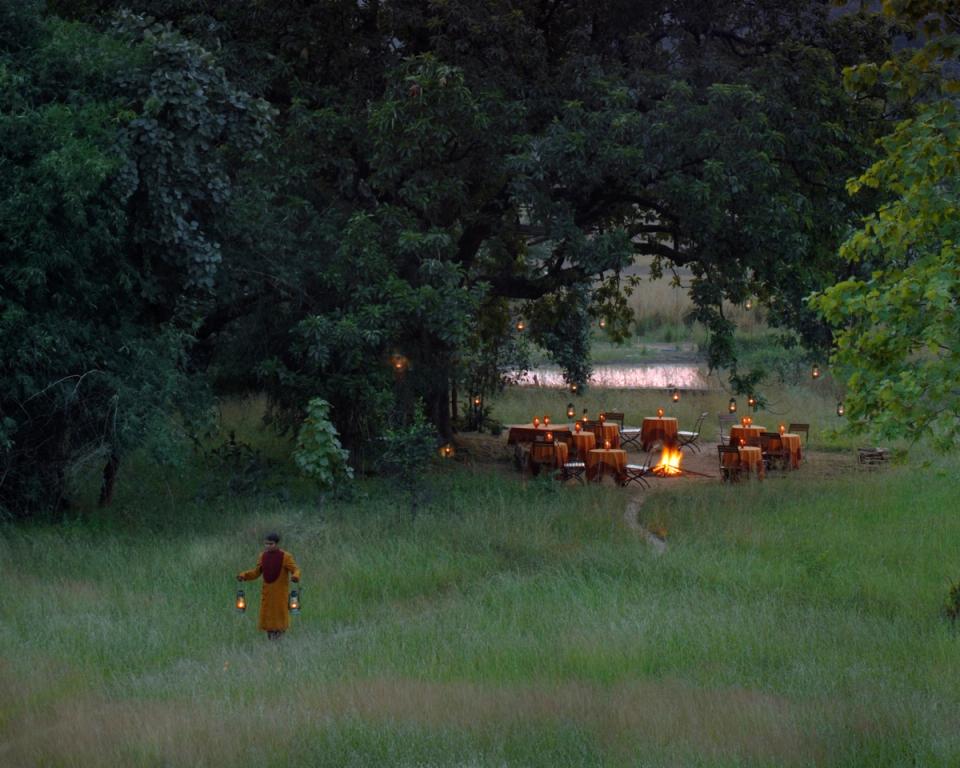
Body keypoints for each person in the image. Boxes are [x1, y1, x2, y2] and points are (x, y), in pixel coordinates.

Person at [237, 532, 301, 640]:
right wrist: (244, 575)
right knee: (268, 620)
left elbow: (295, 569)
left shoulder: (285, 556)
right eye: (266, 544)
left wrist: (295, 576)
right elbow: (256, 572)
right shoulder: (263, 556)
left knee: (280, 619)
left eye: (270, 544)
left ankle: (279, 642)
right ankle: (271, 642)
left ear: (276, 544)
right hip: (267, 594)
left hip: (280, 594)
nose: (268, 546)